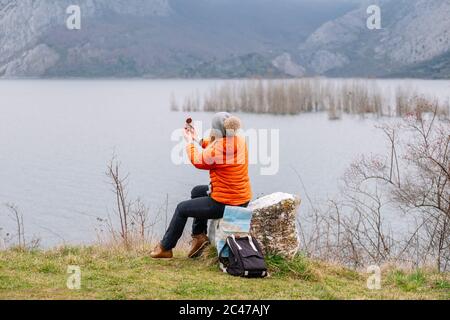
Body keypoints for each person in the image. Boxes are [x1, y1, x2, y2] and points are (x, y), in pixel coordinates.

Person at [150, 112, 252, 259]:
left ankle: (165, 248)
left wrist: (189, 142)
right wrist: (197, 139)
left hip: (225, 203)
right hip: (242, 199)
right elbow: (215, 145)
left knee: (181, 209)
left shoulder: (219, 149)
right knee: (198, 191)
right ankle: (199, 237)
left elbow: (199, 160)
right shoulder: (239, 141)